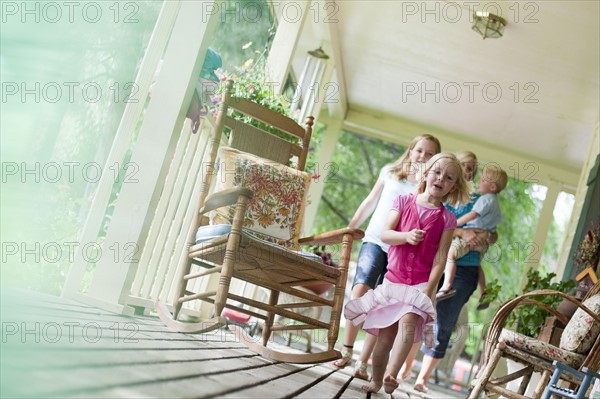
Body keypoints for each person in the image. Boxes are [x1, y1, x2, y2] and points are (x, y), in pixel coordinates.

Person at [343, 153, 471, 394]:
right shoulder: (403, 201)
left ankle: (392, 375)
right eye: (437, 172)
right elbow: (385, 234)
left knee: (409, 323)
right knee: (383, 339)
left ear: (453, 186)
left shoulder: (447, 218)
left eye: (449, 177)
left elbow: (441, 257)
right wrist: (406, 236)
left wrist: (430, 287)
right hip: (393, 280)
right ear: (425, 173)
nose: (441, 178)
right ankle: (377, 379)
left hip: (419, 285)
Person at [332, 134, 442, 379]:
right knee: (360, 288)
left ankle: (363, 364)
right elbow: (371, 201)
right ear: (411, 150)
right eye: (419, 151)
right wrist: (351, 227)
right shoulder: (390, 172)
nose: (423, 157)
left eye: (430, 154)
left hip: (401, 250)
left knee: (384, 306)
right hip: (374, 239)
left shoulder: (426, 188)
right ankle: (347, 350)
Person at [404, 151, 498, 393]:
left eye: (472, 168)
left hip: (465, 270)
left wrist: (487, 236)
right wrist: (461, 233)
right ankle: (404, 367)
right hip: (434, 262)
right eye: (464, 166)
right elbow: (437, 225)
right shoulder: (439, 192)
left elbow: (492, 231)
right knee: (418, 315)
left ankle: (422, 378)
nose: (469, 171)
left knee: (443, 324)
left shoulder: (481, 198)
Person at [436, 163, 508, 307]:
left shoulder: (484, 199)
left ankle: (447, 286)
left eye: (482, 180)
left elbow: (472, 215)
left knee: (450, 253)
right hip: (481, 243)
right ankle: (484, 292)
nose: (479, 182)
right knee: (478, 265)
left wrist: (454, 224)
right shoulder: (495, 203)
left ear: (492, 187)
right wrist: (485, 235)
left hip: (473, 237)